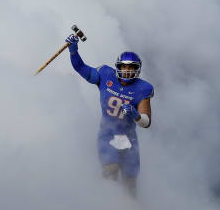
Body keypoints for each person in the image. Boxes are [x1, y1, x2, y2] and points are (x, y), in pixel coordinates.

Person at [65, 35, 154, 197]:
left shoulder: (143, 88)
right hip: (107, 134)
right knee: (110, 170)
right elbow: (81, 68)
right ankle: (108, 208)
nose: (127, 71)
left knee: (130, 181)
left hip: (129, 138)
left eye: (131, 68)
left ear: (137, 69)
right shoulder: (106, 75)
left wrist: (136, 115)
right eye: (124, 67)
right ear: (117, 66)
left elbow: (146, 122)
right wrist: (73, 51)